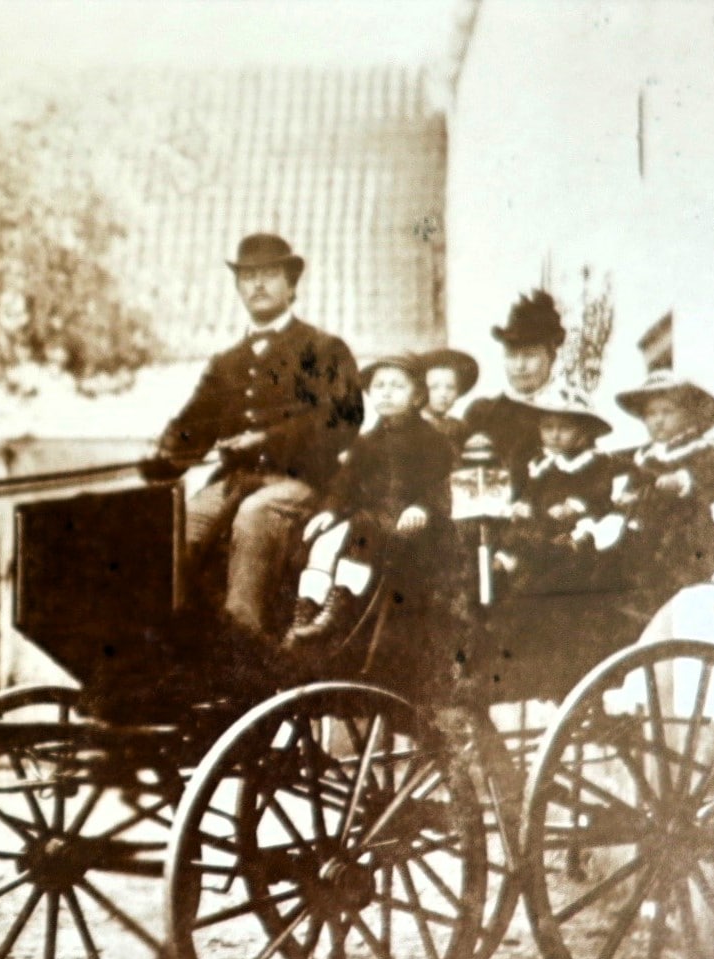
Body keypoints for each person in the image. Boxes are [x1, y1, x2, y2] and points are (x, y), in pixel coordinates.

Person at [140, 233, 364, 658]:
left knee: (254, 516)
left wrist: (270, 440)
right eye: (248, 276)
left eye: (269, 275)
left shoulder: (323, 349)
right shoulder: (227, 363)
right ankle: (175, 649)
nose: (258, 285)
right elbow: (193, 429)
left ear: (291, 284)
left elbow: (345, 420)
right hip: (235, 480)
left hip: (301, 482)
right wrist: (164, 455)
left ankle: (243, 643)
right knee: (178, 527)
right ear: (239, 287)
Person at [284, 354, 455, 650]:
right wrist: (329, 510)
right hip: (372, 519)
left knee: (362, 528)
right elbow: (344, 483)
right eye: (379, 386)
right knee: (324, 539)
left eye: (397, 386)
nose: (386, 392)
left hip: (411, 527)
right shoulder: (367, 442)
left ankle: (340, 606)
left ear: (416, 397)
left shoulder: (431, 440)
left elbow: (440, 485)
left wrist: (421, 508)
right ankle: (308, 611)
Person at [609, 370, 714, 589]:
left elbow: (711, 486)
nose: (658, 420)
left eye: (667, 412)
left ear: (689, 415)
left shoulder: (698, 450)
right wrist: (625, 498)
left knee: (678, 581)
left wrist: (682, 481)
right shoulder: (644, 456)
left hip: (683, 533)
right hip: (644, 534)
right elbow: (627, 479)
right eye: (650, 413)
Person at [495, 384, 627, 594]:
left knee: (562, 561)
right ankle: (509, 562)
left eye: (564, 428)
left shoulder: (598, 463)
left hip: (578, 532)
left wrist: (575, 505)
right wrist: (523, 505)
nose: (555, 435)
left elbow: (601, 493)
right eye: (548, 427)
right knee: (519, 537)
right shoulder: (544, 466)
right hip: (544, 528)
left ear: (583, 431)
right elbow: (531, 493)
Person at [449, 289, 566, 483]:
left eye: (529, 355)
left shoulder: (568, 414)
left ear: (551, 357)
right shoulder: (483, 413)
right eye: (512, 356)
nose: (519, 366)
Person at [419, 347, 480, 438]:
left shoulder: (459, 429)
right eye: (434, 387)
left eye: (450, 388)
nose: (443, 394)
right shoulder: (412, 426)